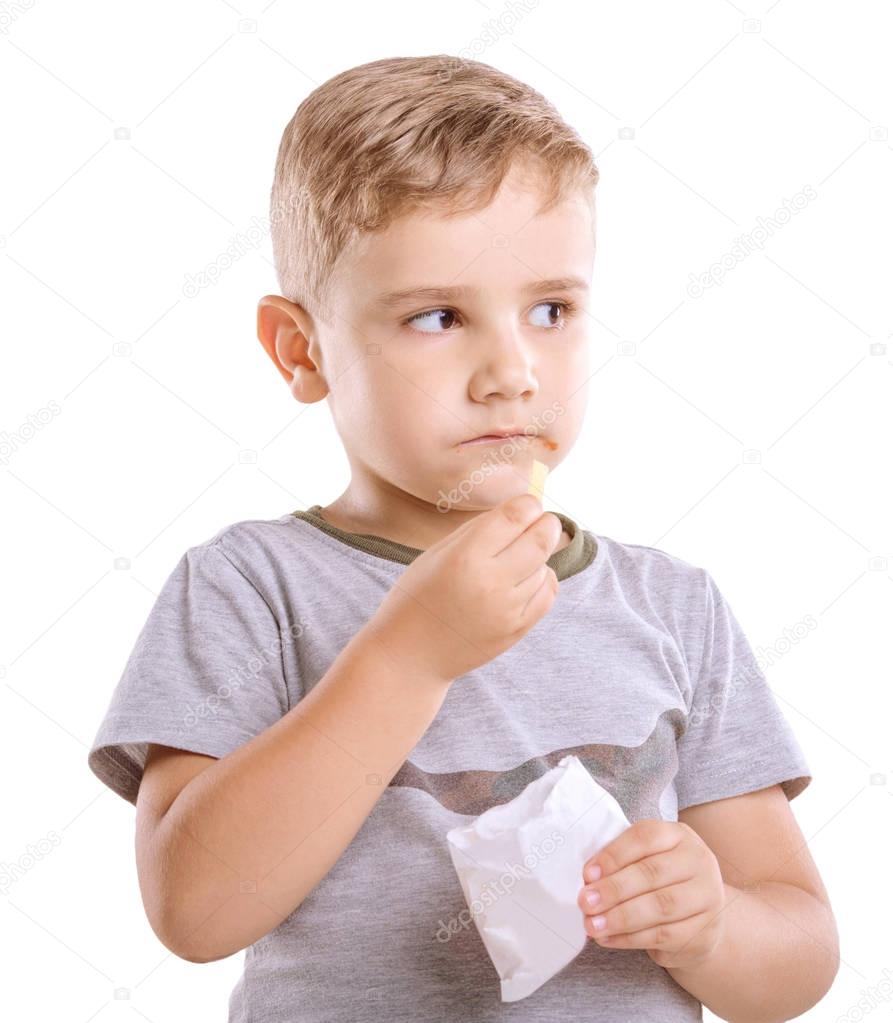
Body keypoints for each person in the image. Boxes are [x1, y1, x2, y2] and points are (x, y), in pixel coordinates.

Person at [88, 54, 839, 1022]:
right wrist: (407, 658)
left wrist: (711, 928)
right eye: (437, 317)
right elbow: (194, 910)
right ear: (301, 350)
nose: (511, 371)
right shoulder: (250, 586)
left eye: (550, 311)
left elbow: (799, 956)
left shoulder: (670, 606)